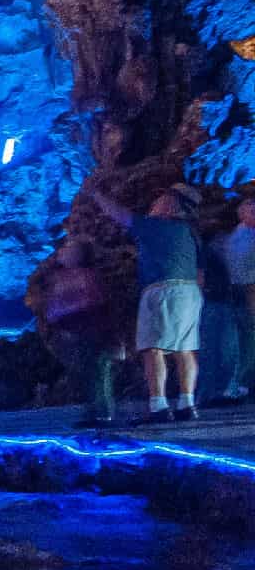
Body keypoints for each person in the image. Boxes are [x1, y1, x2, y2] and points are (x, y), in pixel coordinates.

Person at [93, 182, 204, 423]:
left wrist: (96, 194)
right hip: (190, 291)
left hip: (162, 290)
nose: (153, 203)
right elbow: (200, 271)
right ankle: (187, 404)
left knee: (153, 348)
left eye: (161, 198)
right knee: (184, 348)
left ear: (171, 205)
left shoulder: (157, 226)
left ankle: (159, 406)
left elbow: (122, 216)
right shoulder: (188, 232)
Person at [38, 240, 124, 428]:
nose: (62, 251)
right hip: (76, 333)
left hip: (90, 331)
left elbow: (93, 303)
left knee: (96, 372)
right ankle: (96, 411)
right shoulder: (63, 277)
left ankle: (102, 413)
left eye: (68, 249)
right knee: (89, 373)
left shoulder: (85, 276)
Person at [217, 196, 255, 403]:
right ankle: (238, 383)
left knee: (248, 337)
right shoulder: (239, 235)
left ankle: (239, 383)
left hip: (247, 288)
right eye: (249, 209)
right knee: (246, 338)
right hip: (243, 289)